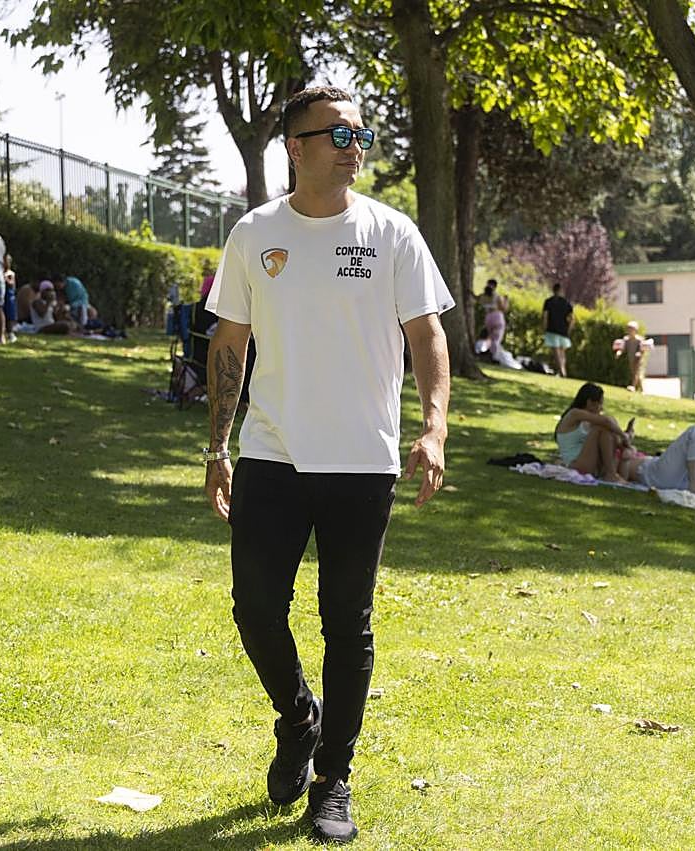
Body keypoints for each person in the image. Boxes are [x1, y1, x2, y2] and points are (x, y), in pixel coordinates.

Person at [203, 85, 452, 845]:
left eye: (359, 131)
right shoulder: (254, 233)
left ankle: (333, 776)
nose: (353, 143)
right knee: (254, 607)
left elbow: (428, 338)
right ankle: (297, 716)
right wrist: (217, 446)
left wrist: (434, 427)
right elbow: (228, 345)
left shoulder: (392, 233)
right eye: (337, 132)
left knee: (347, 620)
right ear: (297, 147)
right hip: (272, 453)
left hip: (361, 461)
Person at [618, 424, 695, 496]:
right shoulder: (618, 455)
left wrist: (629, 439)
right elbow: (621, 477)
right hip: (653, 474)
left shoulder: (628, 448)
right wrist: (625, 458)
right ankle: (694, 484)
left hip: (670, 476)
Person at [553, 382, 630, 482]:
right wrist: (623, 435)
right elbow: (606, 421)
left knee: (607, 430)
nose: (601, 408)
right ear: (590, 402)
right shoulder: (574, 414)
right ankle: (611, 474)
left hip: (591, 464)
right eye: (600, 404)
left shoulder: (589, 421)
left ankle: (611, 473)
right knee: (601, 427)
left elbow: (609, 423)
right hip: (576, 464)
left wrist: (623, 441)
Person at [542, 283, 574, 377]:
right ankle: (562, 370)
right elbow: (572, 319)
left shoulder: (549, 301)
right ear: (561, 291)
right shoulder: (567, 303)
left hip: (552, 329)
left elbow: (545, 316)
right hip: (563, 331)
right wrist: (569, 330)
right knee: (562, 352)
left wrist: (544, 327)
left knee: (556, 352)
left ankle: (561, 371)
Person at [478, 278, 508, 360]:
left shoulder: (483, 296)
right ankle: (494, 357)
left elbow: (478, 300)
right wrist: (506, 301)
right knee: (496, 338)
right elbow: (503, 308)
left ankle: (487, 354)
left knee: (489, 337)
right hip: (497, 317)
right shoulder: (497, 296)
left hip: (488, 318)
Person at [615, 320, 648, 392]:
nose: (630, 331)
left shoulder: (639, 340)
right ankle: (641, 389)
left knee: (636, 372)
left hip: (638, 359)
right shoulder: (626, 339)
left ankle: (633, 387)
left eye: (631, 329)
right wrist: (619, 352)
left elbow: (642, 349)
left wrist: (639, 353)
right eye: (629, 329)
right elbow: (623, 348)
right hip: (631, 358)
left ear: (635, 330)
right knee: (635, 373)